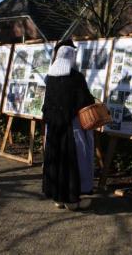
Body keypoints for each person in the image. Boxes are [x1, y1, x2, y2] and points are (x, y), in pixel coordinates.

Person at [42, 39, 95, 209]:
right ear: (71, 57)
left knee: (55, 161)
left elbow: (47, 104)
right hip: (72, 129)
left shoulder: (49, 78)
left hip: (53, 129)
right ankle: (73, 200)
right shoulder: (76, 78)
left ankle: (58, 198)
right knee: (72, 162)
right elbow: (85, 101)